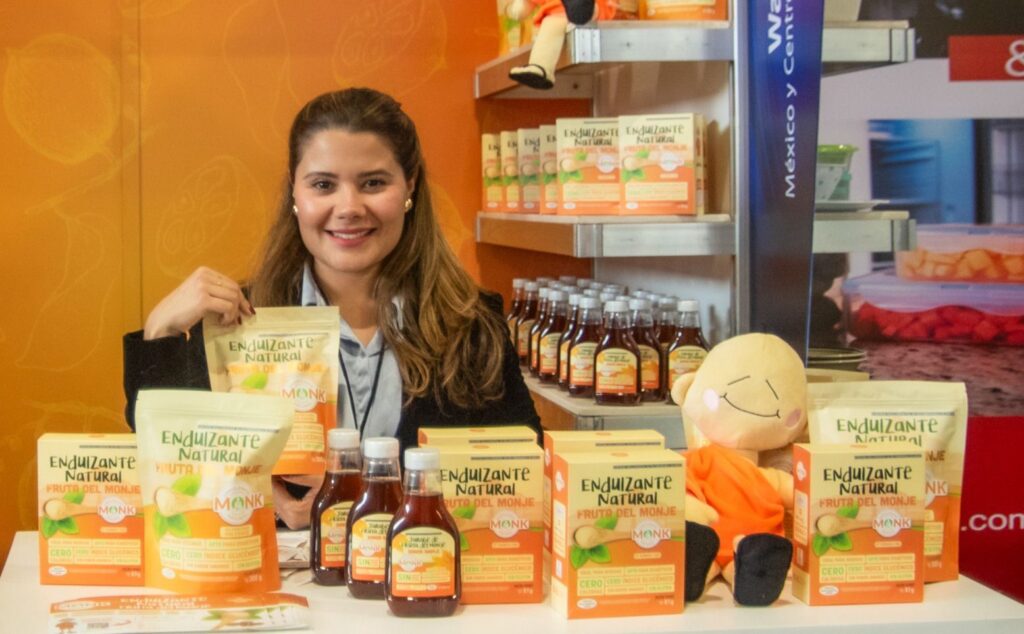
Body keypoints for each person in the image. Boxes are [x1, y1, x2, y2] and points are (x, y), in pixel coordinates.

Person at [123, 88, 541, 528]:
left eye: (373, 183)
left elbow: (521, 474)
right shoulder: (239, 320)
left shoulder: (471, 323)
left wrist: (363, 494)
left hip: (422, 561)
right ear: (295, 190)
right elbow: (172, 464)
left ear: (410, 185)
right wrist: (160, 332)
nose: (349, 208)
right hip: (280, 564)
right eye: (323, 185)